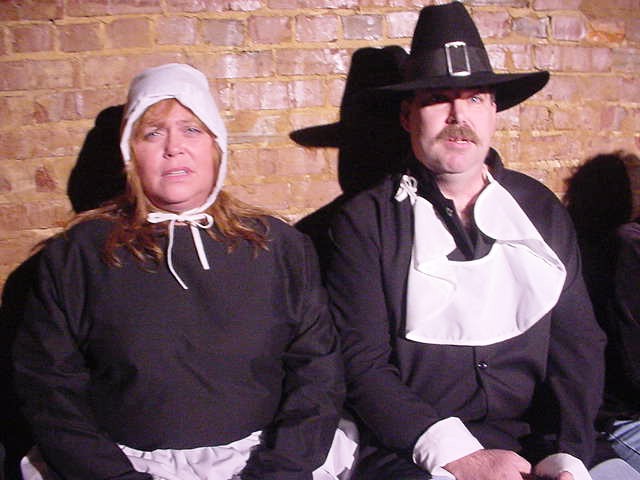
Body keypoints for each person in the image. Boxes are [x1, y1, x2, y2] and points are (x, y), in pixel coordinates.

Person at [322, 3, 637, 480]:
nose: (458, 116)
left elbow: (579, 344)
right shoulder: (364, 222)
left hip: (543, 440)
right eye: (438, 99)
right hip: (416, 448)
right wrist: (460, 456)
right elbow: (361, 364)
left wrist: (567, 452)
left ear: (493, 113)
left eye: (474, 99)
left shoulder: (539, 208)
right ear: (407, 116)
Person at [12, 63, 347, 480]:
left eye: (192, 130)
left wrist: (279, 471)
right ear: (130, 152)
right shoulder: (77, 256)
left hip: (265, 459)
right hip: (121, 465)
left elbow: (318, 374)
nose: (174, 147)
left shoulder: (279, 246)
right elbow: (49, 388)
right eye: (153, 133)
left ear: (216, 146)